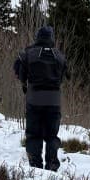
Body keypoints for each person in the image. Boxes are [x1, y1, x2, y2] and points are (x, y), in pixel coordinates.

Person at [13, 25, 68, 171]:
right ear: (51, 38)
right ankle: (52, 166)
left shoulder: (28, 53)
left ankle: (35, 167)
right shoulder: (59, 56)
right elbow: (64, 76)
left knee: (34, 134)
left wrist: (24, 85)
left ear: (37, 37)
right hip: (54, 101)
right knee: (52, 136)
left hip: (34, 99)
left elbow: (19, 71)